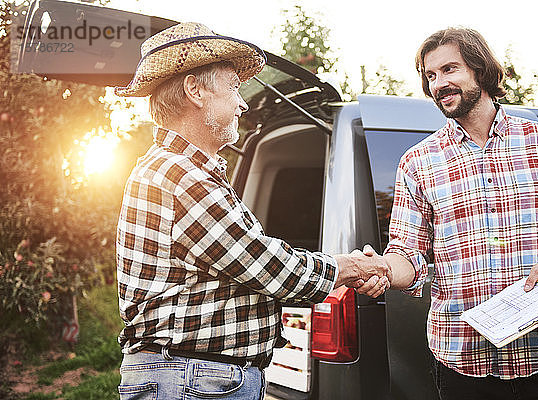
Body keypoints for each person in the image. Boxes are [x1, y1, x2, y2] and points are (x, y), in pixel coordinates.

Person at [114, 22, 390, 400]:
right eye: (232, 87)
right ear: (195, 90)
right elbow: (265, 265)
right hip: (190, 379)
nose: (242, 102)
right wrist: (354, 267)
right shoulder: (179, 173)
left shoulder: (181, 170)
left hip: (194, 377)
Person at [366, 27, 538, 399]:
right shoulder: (419, 161)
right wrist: (381, 269)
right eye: (430, 76)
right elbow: (407, 252)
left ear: (481, 69)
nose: (439, 83)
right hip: (462, 369)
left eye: (450, 69)